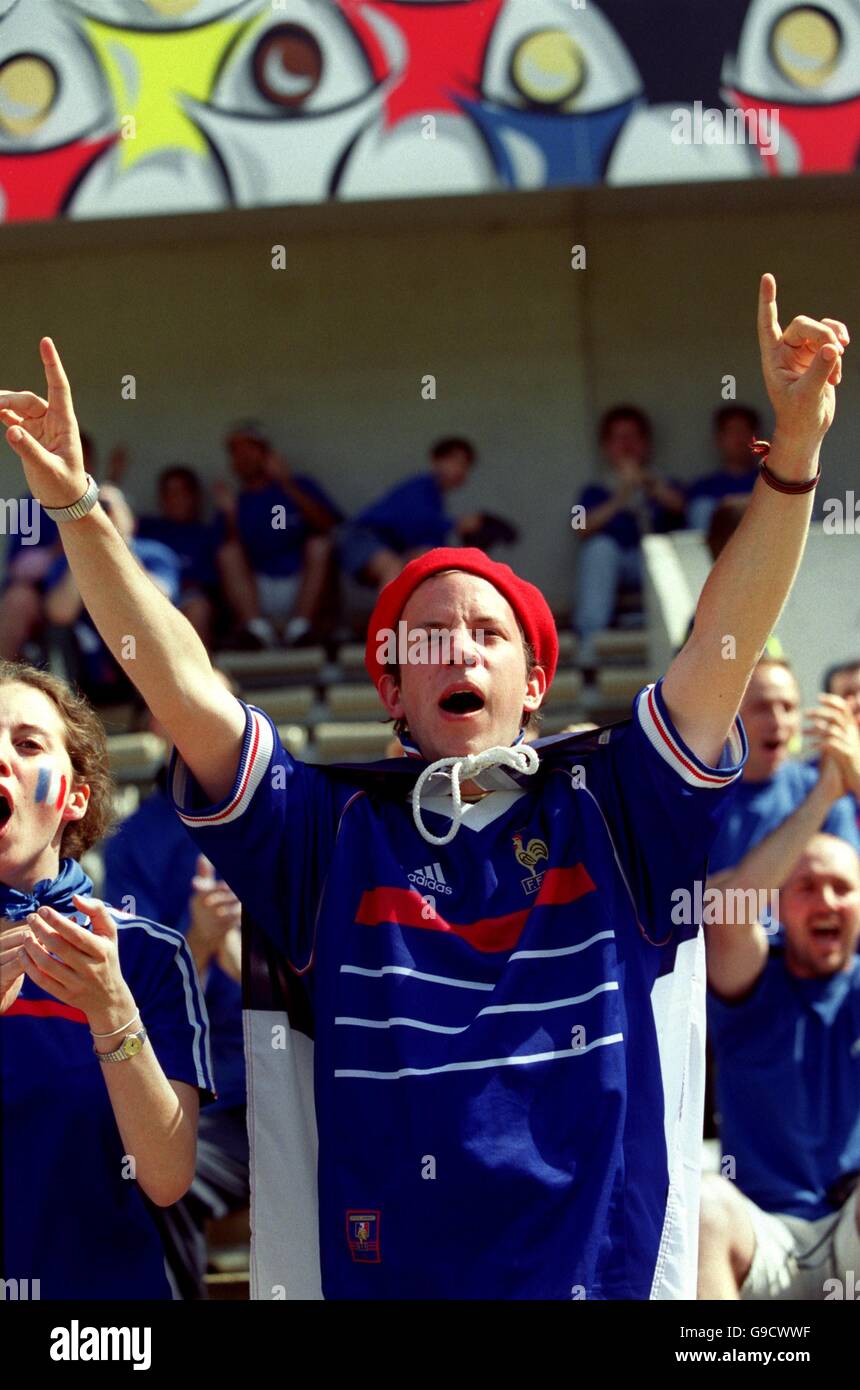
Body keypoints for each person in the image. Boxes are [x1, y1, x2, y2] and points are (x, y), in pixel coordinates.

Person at [0, 273, 848, 1298]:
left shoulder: (620, 804)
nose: (459, 649)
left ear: (534, 681)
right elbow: (176, 680)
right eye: (428, 635)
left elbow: (724, 636)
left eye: (486, 633)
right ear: (390, 686)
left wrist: (793, 456)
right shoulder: (319, 832)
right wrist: (78, 508)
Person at [0, 661, 214, 1299]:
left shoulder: (146, 955)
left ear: (75, 797)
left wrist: (111, 1011)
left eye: (28, 743)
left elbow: (167, 1176)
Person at [102, 683, 248, 1300]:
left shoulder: (283, 818)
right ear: (154, 728)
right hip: (209, 1104)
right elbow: (127, 1009)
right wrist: (202, 941)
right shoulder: (134, 842)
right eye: (174, 700)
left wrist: (240, 957)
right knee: (150, 1173)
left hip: (304, 1083)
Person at [698, 832, 860, 1300]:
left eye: (843, 887)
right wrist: (826, 791)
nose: (826, 900)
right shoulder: (748, 983)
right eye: (805, 886)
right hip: (763, 1236)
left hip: (852, 1229)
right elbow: (726, 910)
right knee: (705, 1205)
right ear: (779, 903)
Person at [706, 659, 860, 930]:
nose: (777, 721)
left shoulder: (826, 790)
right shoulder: (697, 798)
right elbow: (704, 908)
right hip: (731, 962)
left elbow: (849, 894)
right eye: (762, 708)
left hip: (812, 954)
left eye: (788, 708)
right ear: (730, 716)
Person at [43, 484, 181, 708]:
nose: (100, 513)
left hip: (134, 656)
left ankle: (153, 712)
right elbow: (59, 614)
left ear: (131, 519)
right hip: (88, 663)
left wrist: (118, 546)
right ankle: (66, 711)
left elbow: (161, 602)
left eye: (106, 507)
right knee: (57, 634)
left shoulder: (155, 553)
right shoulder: (66, 561)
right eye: (93, 506)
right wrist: (83, 545)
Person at [572, 405, 685, 669]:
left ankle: (681, 638)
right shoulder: (596, 488)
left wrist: (649, 486)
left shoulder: (664, 481)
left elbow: (682, 506)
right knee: (599, 549)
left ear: (645, 443)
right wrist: (621, 496)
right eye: (619, 438)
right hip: (618, 563)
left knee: (658, 548)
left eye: (633, 437)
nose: (626, 445)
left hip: (657, 566)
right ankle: (590, 641)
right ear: (607, 446)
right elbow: (580, 527)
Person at [215, 421, 341, 649]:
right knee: (228, 553)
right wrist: (232, 515)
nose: (244, 457)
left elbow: (327, 526)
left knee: (320, 545)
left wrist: (286, 483)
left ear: (266, 453)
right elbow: (228, 554)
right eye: (236, 451)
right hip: (257, 591)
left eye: (250, 449)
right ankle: (256, 632)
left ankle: (302, 630)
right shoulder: (236, 502)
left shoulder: (299, 486)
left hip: (300, 586)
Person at [340, 436, 487, 588]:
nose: (460, 470)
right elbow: (416, 522)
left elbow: (428, 545)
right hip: (363, 538)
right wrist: (455, 524)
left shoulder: (436, 499)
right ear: (435, 460)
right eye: (455, 462)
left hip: (387, 546)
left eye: (465, 466)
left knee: (430, 567)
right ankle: (389, 612)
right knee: (394, 568)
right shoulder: (421, 486)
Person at [137, 465, 223, 649]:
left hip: (185, 602)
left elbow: (210, 587)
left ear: (195, 497)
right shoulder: (147, 528)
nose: (176, 499)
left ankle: (196, 675)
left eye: (182, 492)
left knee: (199, 607)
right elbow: (112, 526)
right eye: (169, 493)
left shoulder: (206, 534)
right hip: (148, 602)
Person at [687, 404, 761, 532]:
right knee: (702, 508)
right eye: (731, 431)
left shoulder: (772, 481)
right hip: (717, 550)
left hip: (765, 546)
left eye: (744, 431)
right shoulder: (702, 488)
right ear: (719, 439)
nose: (738, 439)